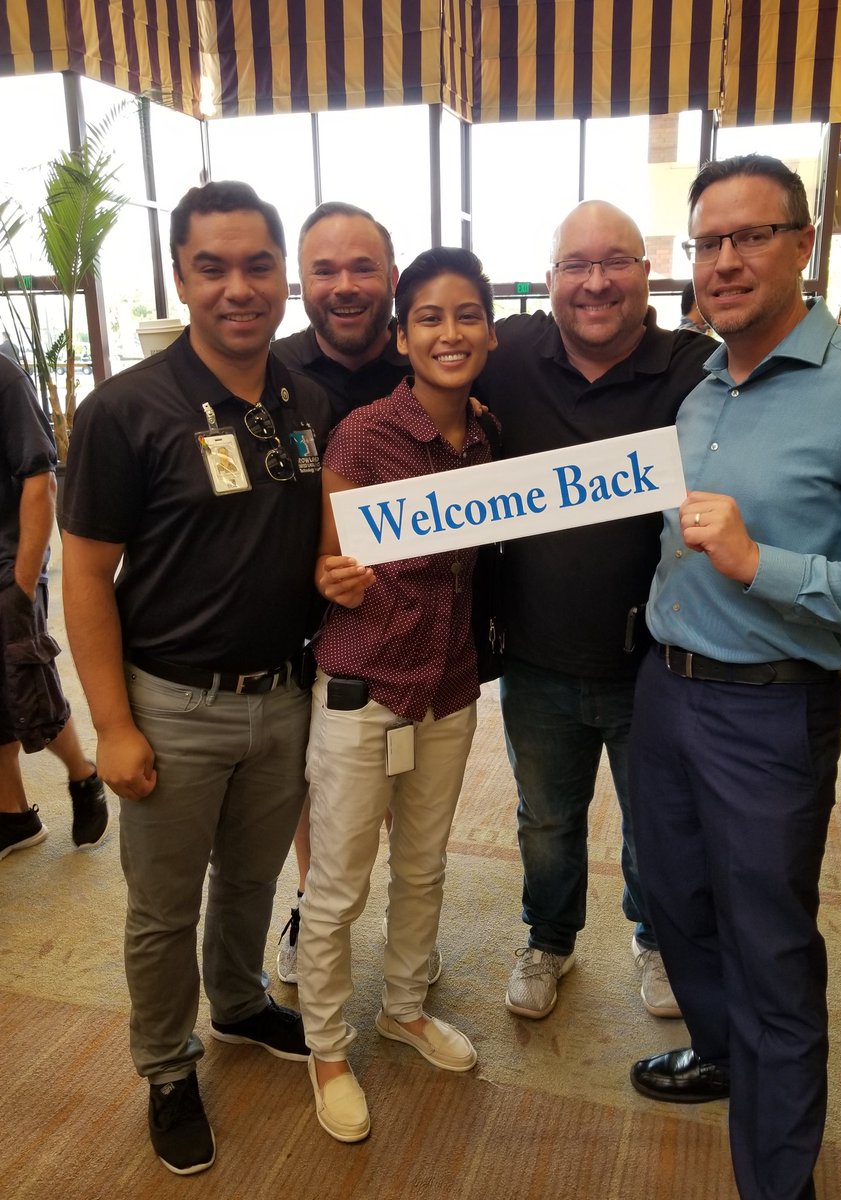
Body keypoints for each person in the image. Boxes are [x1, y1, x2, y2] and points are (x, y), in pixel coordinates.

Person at [627, 155, 841, 1200]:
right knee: (678, 907)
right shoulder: (699, 387)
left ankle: (777, 1178)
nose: (726, 261)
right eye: (707, 242)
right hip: (666, 692)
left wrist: (760, 563)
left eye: (751, 237)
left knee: (771, 947)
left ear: (803, 246)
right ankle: (728, 1061)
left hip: (771, 710)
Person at [60, 181, 332, 1175]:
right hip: (171, 705)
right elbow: (85, 573)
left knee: (253, 879)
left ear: (282, 277)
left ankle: (242, 1001)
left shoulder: (306, 397)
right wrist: (111, 725)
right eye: (212, 266)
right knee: (162, 906)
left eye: (257, 264)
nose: (238, 287)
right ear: (181, 275)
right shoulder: (127, 410)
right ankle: (167, 1066)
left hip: (283, 696)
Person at [473, 201, 711, 1020]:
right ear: (550, 281)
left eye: (617, 261)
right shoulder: (504, 358)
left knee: (658, 820)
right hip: (536, 654)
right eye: (577, 265)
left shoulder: (694, 368)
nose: (597, 281)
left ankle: (658, 941)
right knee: (545, 818)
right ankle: (549, 940)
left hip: (658, 658)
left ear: (648, 276)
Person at [299, 247, 497, 1142]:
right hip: (364, 685)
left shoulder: (487, 436)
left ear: (490, 330)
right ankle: (327, 1048)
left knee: (424, 865)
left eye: (466, 315)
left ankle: (405, 1006)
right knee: (339, 886)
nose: (449, 332)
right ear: (401, 334)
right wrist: (333, 575)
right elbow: (330, 558)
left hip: (449, 687)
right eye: (429, 317)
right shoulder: (362, 435)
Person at [271, 201, 440, 990]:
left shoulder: (426, 365)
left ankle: (412, 936)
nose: (344, 285)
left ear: (392, 280)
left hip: (411, 627)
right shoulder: (269, 374)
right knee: (320, 789)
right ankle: (312, 906)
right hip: (293, 621)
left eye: (362, 267)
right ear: (300, 281)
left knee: (414, 795)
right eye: (325, 269)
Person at [0, 353, 108, 861]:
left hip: (6, 573)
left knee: (30, 691)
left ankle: (84, 776)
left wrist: (22, 584)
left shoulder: (5, 377)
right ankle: (14, 816)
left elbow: (40, 479)